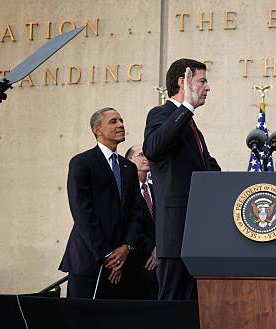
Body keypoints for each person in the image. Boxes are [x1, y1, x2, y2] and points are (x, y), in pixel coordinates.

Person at [142, 58, 221, 301]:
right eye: (202, 81)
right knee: (171, 311)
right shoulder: (161, 114)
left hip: (198, 236)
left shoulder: (192, 126)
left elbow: (208, 171)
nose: (207, 88)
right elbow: (153, 148)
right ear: (183, 82)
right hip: (176, 236)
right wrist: (186, 106)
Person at [59, 108, 142, 299]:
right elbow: (82, 213)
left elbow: (137, 211)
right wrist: (108, 255)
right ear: (98, 129)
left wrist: (126, 247)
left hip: (124, 262)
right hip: (89, 259)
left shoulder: (128, 168)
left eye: (121, 120)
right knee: (82, 323)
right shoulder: (82, 162)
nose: (121, 125)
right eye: (113, 121)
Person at [124, 145, 158, 299]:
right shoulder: (126, 190)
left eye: (148, 154)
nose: (147, 158)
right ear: (129, 160)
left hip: (160, 259)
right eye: (141, 155)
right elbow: (129, 224)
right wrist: (151, 248)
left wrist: (160, 249)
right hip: (138, 260)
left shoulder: (157, 189)